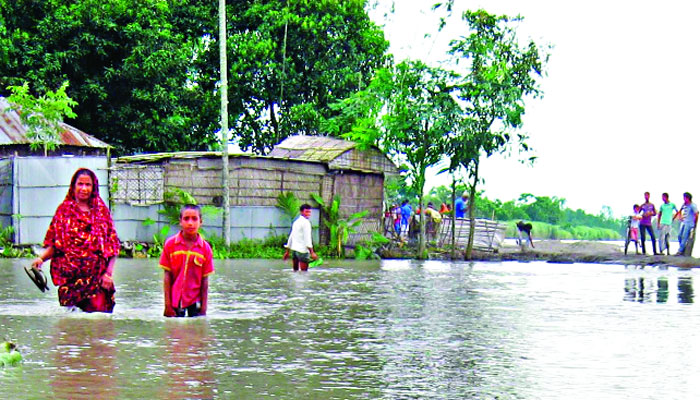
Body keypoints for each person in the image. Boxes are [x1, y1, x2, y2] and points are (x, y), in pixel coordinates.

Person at [31, 168, 120, 313]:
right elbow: (57, 245)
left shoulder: (101, 212)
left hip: (97, 283)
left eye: (88, 185)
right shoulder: (64, 211)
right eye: (80, 184)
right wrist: (41, 259)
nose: (84, 189)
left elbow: (113, 247)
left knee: (99, 327)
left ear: (93, 187)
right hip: (70, 284)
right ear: (73, 186)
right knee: (71, 328)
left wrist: (108, 274)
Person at [160, 204, 214, 317]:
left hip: (195, 302)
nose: (190, 223)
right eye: (186, 219)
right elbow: (167, 277)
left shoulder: (205, 249)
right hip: (175, 301)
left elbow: (205, 281)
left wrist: (204, 309)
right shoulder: (170, 245)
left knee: (196, 331)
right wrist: (167, 305)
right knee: (174, 331)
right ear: (180, 221)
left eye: (194, 219)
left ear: (201, 222)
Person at [283, 204, 318, 271]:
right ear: (301, 212)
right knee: (304, 273)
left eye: (309, 212)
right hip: (303, 251)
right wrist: (312, 252)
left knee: (295, 271)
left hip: (295, 251)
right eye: (306, 212)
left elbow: (291, 236)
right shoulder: (306, 223)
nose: (308, 214)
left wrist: (287, 251)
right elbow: (307, 239)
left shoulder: (296, 222)